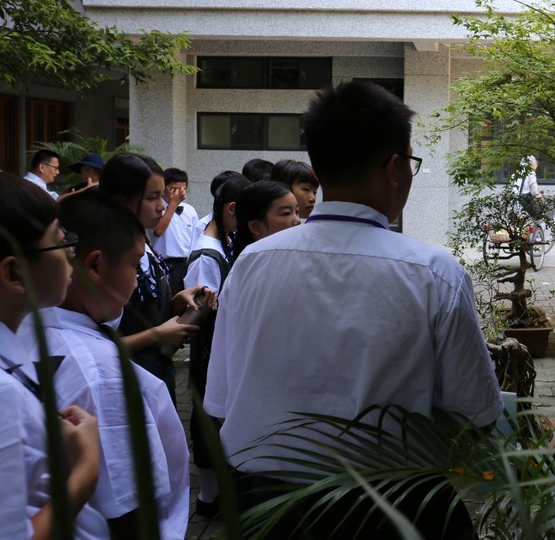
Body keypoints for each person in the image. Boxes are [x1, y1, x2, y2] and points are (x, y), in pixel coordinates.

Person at [205, 81, 503, 538]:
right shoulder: (434, 273)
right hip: (391, 509)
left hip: (266, 508)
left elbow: (223, 402)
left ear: (319, 168)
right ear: (395, 167)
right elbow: (476, 417)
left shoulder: (250, 263)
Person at [21, 191, 189, 538]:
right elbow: (128, 508)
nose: (137, 279)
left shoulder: (19, 330)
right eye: (135, 265)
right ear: (95, 265)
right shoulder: (101, 374)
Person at [0, 170, 108, 539]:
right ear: (15, 273)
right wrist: (85, 469)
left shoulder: (4, 353)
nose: (71, 253)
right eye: (61, 241)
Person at [99, 153, 214, 403]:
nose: (162, 205)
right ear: (120, 201)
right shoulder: (106, 260)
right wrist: (157, 334)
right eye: (152, 197)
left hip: (157, 378)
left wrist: (176, 303)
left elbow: (146, 314)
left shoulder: (144, 244)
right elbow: (95, 347)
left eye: (163, 196)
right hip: (128, 387)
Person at [183, 173, 248, 518]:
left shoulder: (222, 244)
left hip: (215, 351)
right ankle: (208, 498)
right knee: (207, 421)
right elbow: (198, 313)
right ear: (231, 209)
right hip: (207, 353)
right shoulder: (207, 254)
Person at [151, 167, 200, 296]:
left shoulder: (189, 210)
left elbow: (196, 239)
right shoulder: (157, 208)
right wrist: (173, 204)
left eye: (183, 189)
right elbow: (158, 230)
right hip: (165, 264)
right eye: (175, 189)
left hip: (186, 264)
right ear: (164, 189)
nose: (180, 193)